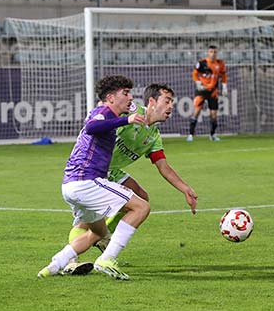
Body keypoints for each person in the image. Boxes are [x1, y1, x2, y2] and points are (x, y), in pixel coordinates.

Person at [63, 83, 198, 275]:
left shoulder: (153, 136)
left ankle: (103, 236)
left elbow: (163, 167)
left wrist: (185, 188)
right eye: (167, 101)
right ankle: (71, 262)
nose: (170, 107)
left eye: (172, 103)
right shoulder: (132, 110)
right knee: (85, 221)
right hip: (91, 169)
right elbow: (102, 113)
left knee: (141, 196)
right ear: (152, 102)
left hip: (113, 171)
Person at [38, 75, 150, 281]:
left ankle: (54, 265)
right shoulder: (103, 112)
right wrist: (127, 119)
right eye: (125, 93)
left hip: (70, 186)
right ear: (110, 97)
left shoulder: (108, 116)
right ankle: (107, 259)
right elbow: (91, 127)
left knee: (98, 233)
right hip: (86, 182)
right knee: (142, 206)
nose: (130, 97)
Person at [187, 45, 228, 142]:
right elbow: (194, 74)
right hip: (202, 91)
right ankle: (191, 134)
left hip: (213, 91)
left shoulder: (220, 63)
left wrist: (224, 87)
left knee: (214, 114)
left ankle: (212, 135)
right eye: (211, 52)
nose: (213, 54)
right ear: (208, 53)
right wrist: (198, 83)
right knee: (196, 112)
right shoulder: (202, 63)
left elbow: (224, 75)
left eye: (214, 52)